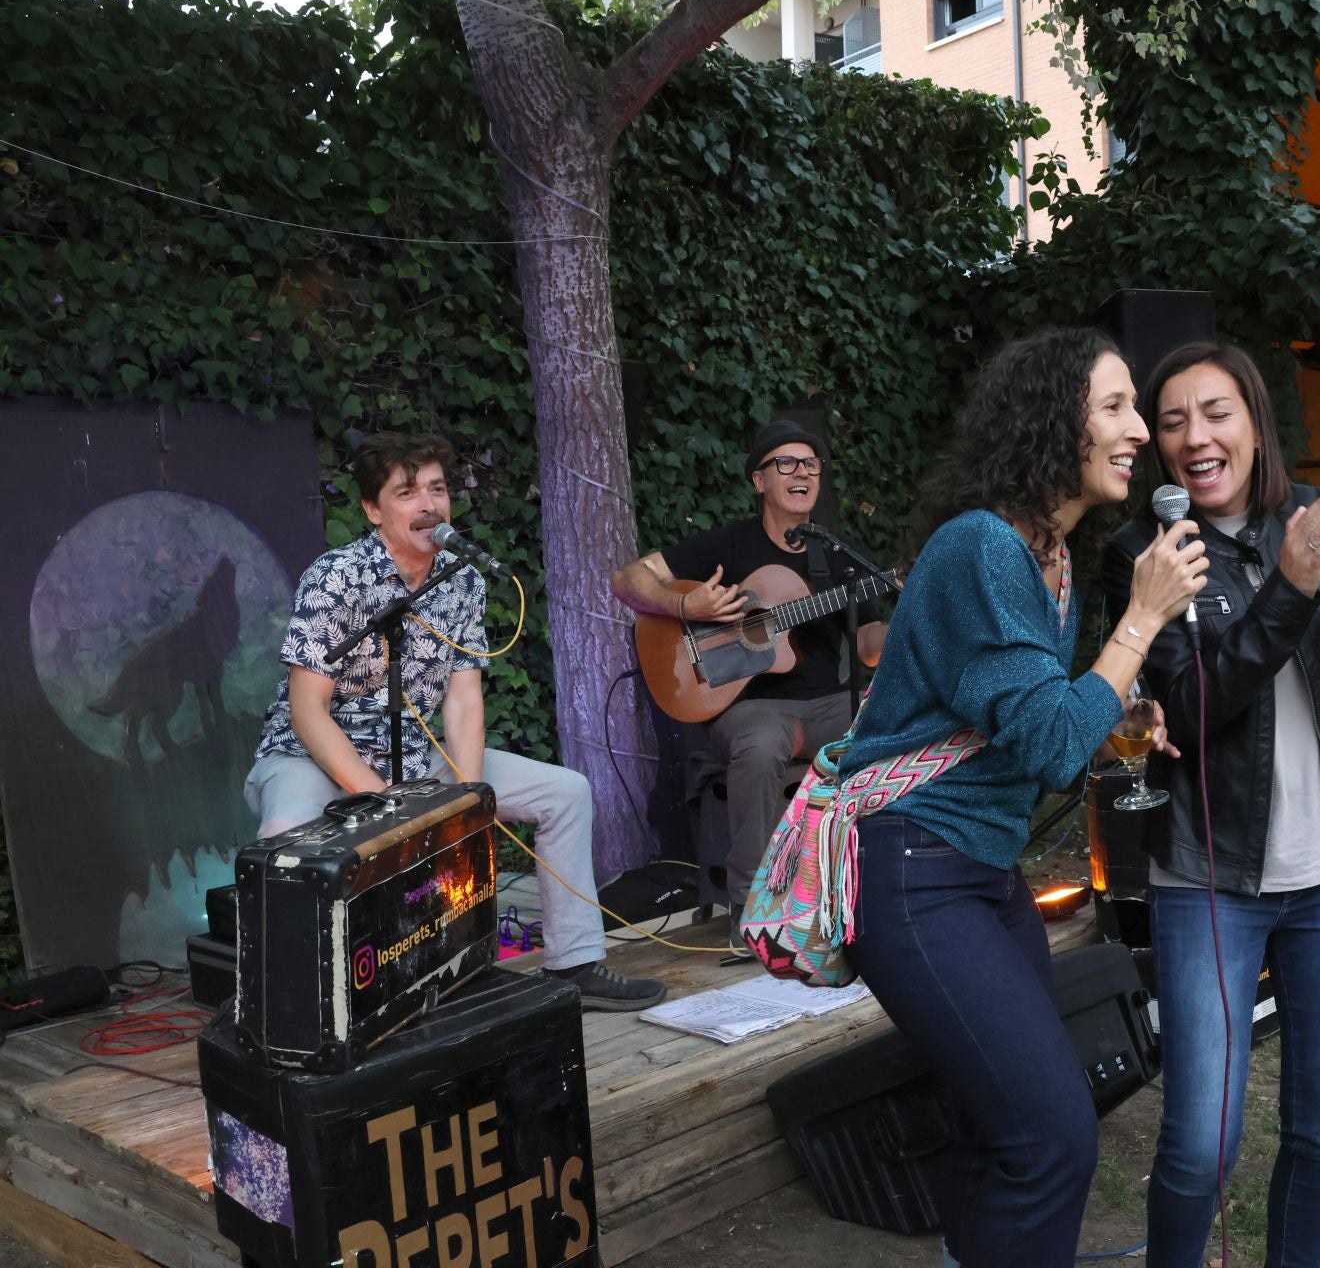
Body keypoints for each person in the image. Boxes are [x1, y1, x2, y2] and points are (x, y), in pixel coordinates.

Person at [839, 326, 1209, 1268]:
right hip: (916, 872)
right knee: (1051, 1138)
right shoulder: (980, 549)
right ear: (1055, 421)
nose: (1141, 432)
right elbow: (1048, 744)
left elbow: (1036, 717)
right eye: (1117, 406)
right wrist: (1141, 621)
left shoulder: (1050, 560)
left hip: (979, 870)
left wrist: (1122, 705)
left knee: (994, 1128)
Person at [1099, 342, 1320, 1268]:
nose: (1194, 437)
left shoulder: (1316, 518)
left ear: (1255, 420)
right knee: (1201, 1144)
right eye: (1171, 421)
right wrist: (1292, 588)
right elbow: (1191, 711)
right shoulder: (1145, 555)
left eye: (1215, 412)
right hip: (1208, 880)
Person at [245, 432, 666, 1011]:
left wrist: (465, 805)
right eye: (408, 492)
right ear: (372, 510)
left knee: (565, 792)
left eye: (438, 490)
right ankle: (294, 1007)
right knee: (285, 835)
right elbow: (307, 709)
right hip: (311, 756)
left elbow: (463, 698)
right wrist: (381, 804)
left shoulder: (461, 577)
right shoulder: (336, 576)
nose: (429, 505)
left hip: (419, 756)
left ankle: (576, 964)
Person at [612, 420, 887, 952]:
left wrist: (901, 628)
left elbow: (867, 650)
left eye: (810, 464)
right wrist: (685, 604)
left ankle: (864, 891)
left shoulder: (839, 554)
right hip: (750, 708)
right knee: (760, 750)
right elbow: (628, 579)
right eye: (785, 463)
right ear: (760, 480)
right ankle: (755, 911)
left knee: (892, 728)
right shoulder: (729, 545)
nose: (801, 472)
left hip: (829, 704)